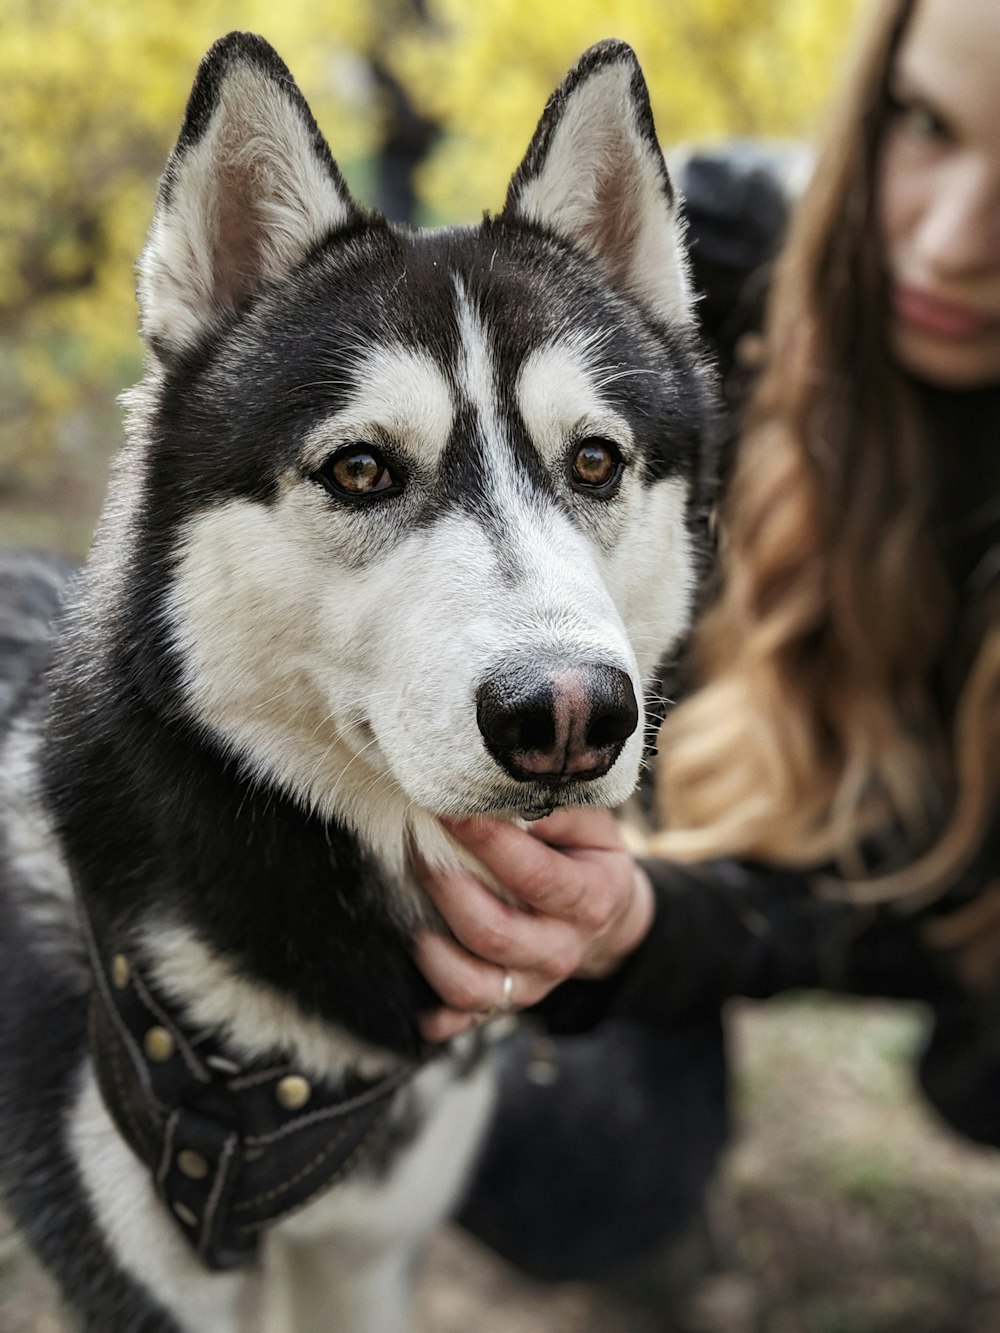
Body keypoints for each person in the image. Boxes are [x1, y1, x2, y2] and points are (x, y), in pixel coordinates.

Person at [412, 0, 1000, 1283]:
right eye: (923, 124)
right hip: (641, 817)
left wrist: (660, 920)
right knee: (585, 1170)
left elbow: (890, 907)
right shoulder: (709, 257)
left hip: (930, 902)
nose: (952, 244)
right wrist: (611, 913)